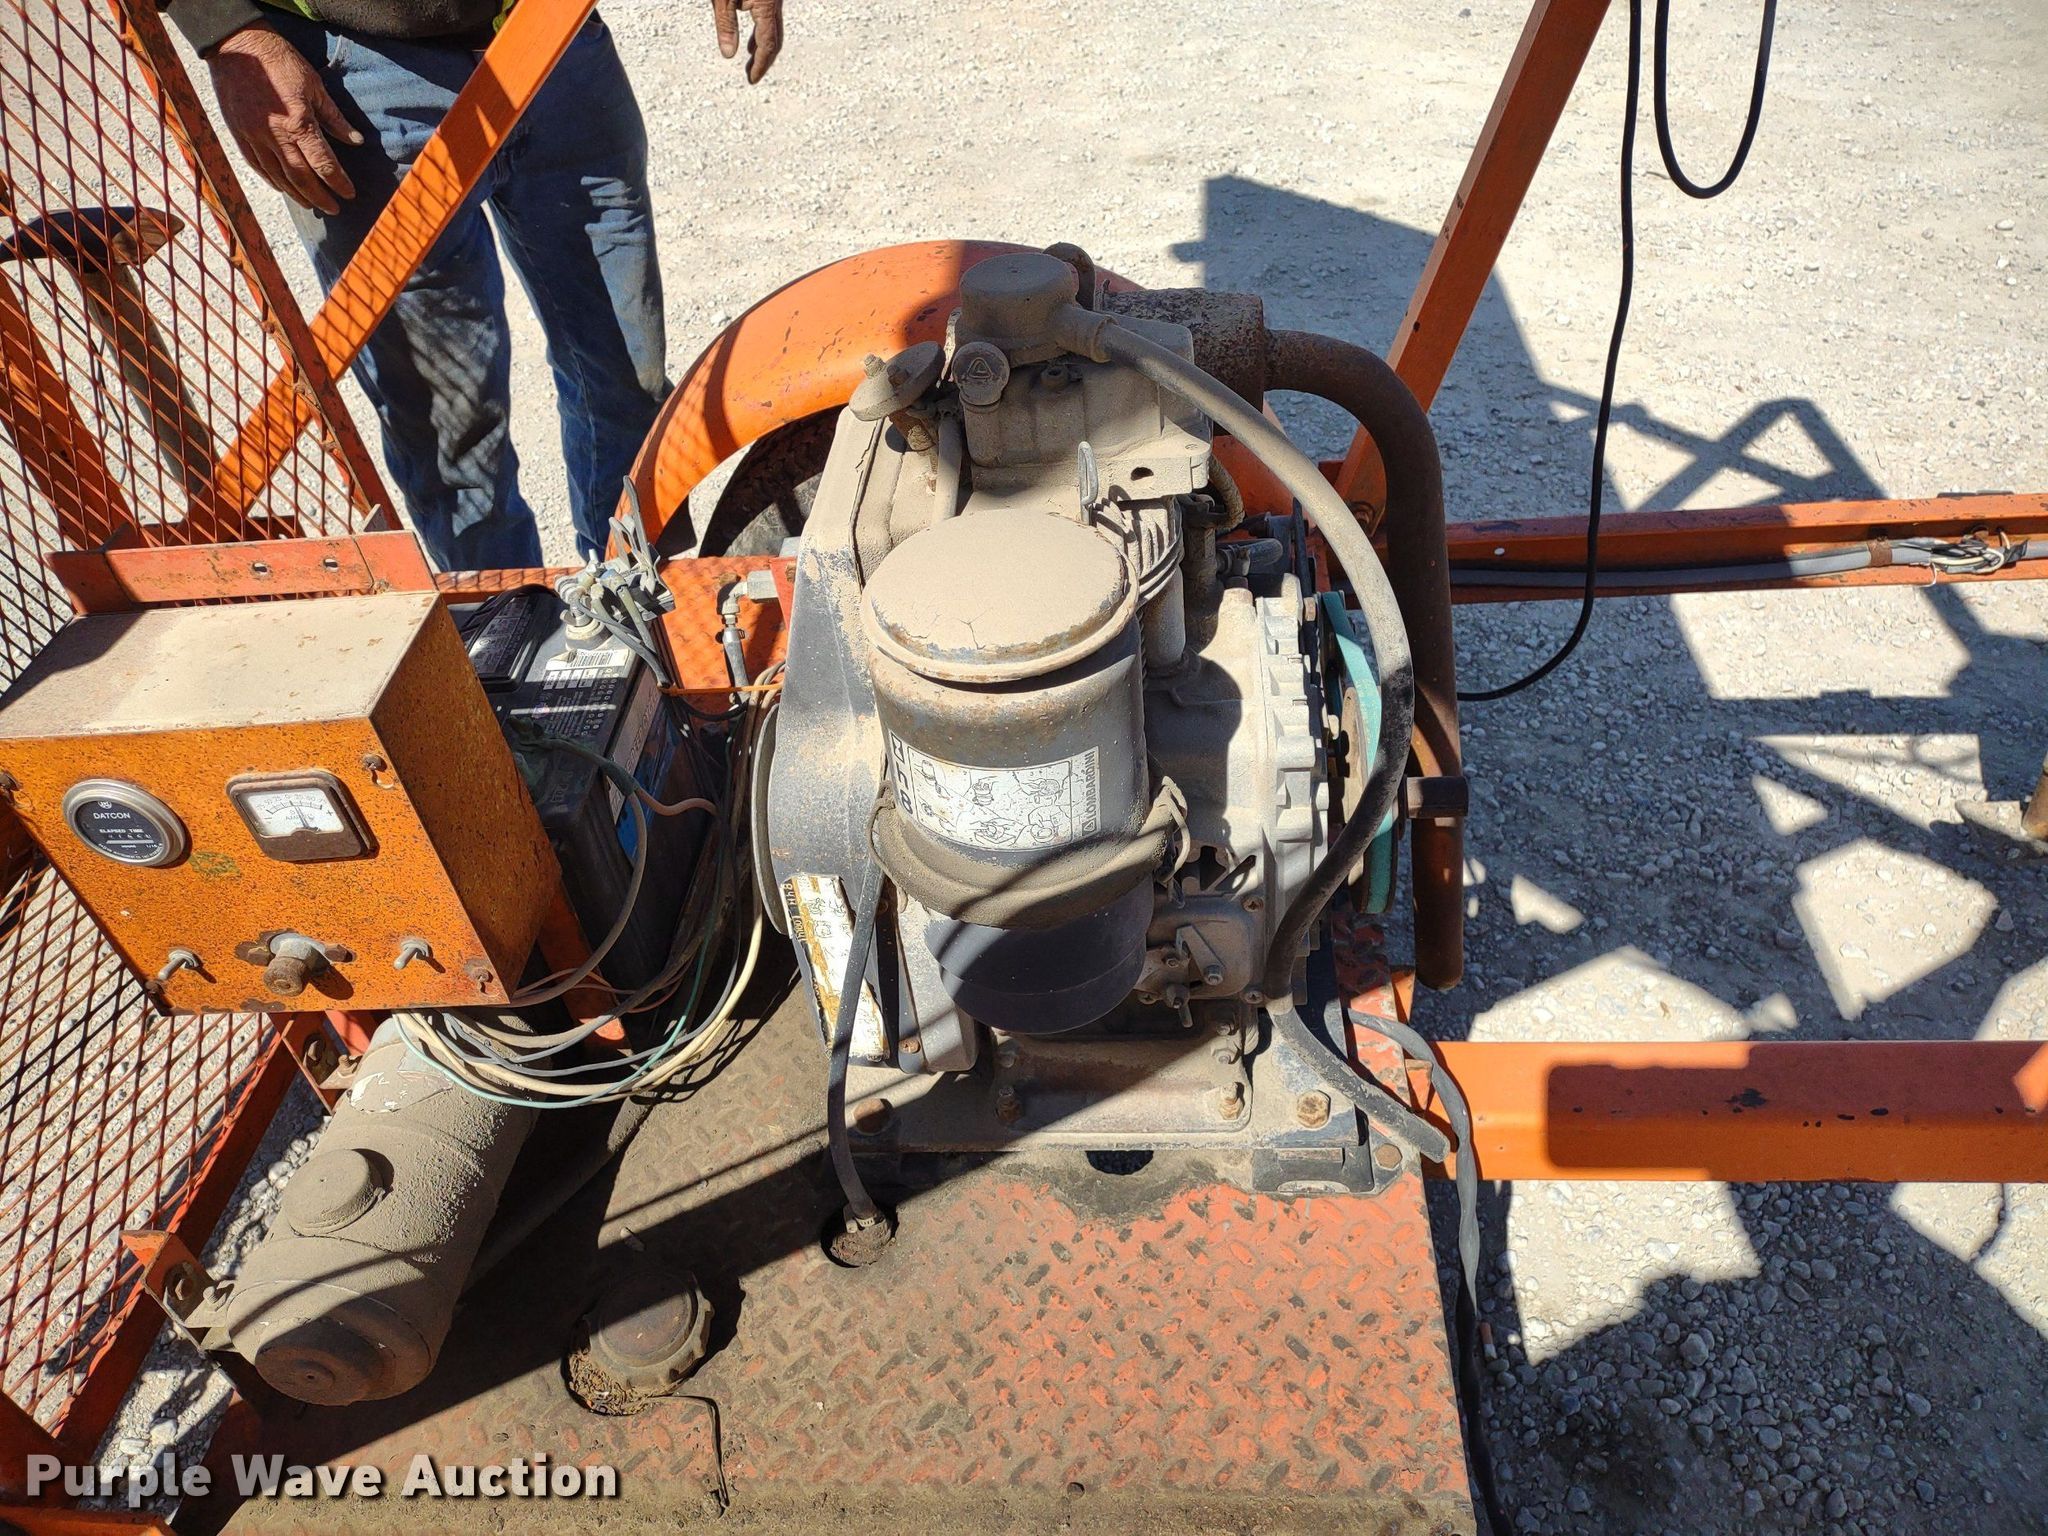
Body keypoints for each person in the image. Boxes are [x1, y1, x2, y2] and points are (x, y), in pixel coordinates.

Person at [169, 0, 784, 569]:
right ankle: (506, 617)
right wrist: (230, 32)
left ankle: (632, 599)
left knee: (626, 375)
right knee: (450, 429)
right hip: (356, 73)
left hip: (554, 34)